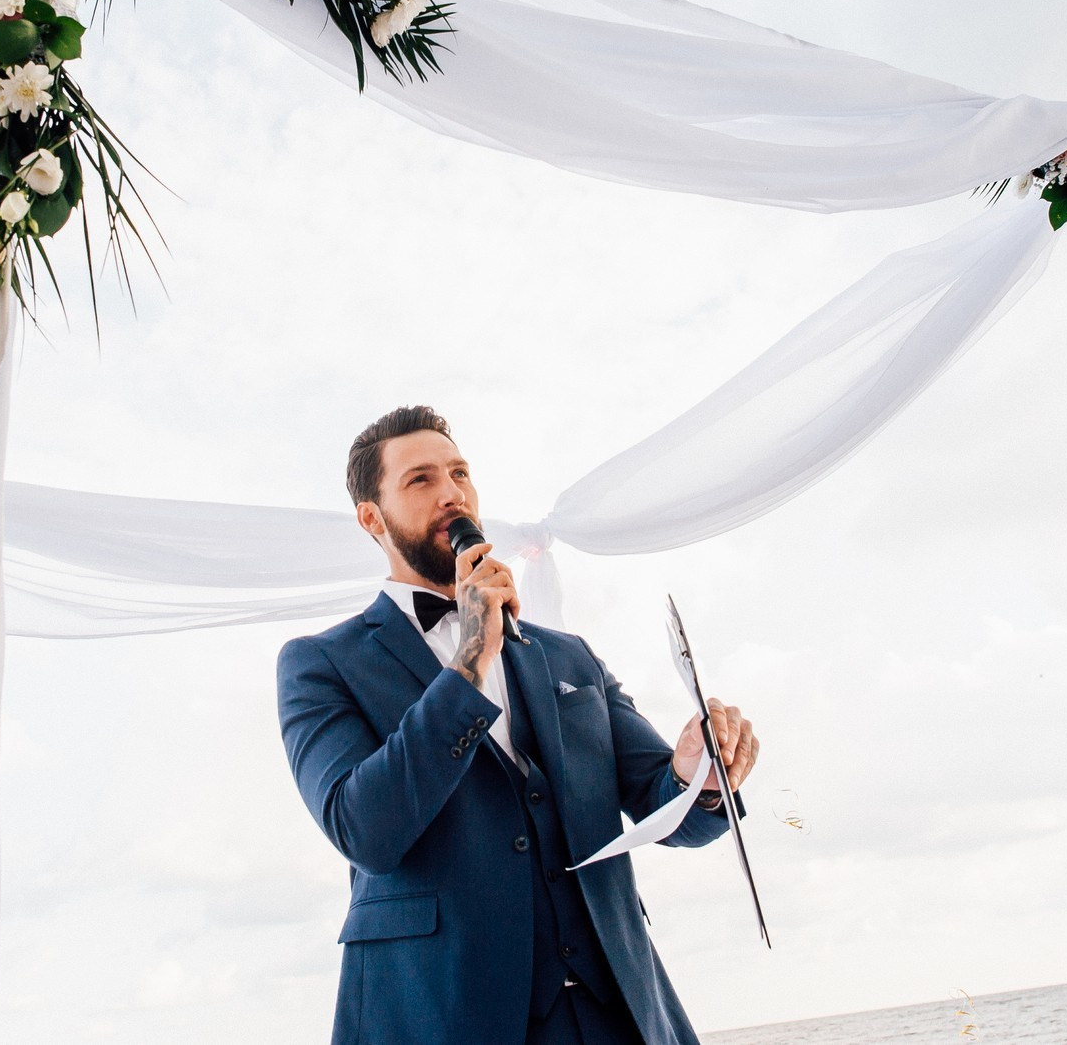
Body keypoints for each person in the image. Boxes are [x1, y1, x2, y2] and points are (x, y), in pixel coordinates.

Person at [277, 405, 761, 1045]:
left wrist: (699, 772)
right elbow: (365, 830)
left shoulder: (568, 656)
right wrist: (470, 658)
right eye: (420, 480)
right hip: (441, 1014)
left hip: (620, 1010)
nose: (452, 493)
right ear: (372, 518)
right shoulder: (321, 664)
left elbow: (668, 810)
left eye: (460, 473)